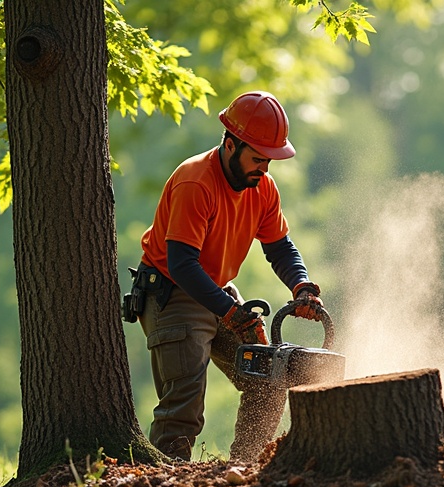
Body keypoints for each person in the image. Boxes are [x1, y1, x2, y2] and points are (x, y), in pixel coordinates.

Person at [128, 91, 325, 462]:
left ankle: (244, 467)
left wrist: (302, 287)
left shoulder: (263, 188)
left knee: (268, 376)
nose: (264, 169)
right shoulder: (195, 182)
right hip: (173, 292)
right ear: (231, 144)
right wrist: (231, 313)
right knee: (184, 403)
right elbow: (183, 264)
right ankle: (169, 480)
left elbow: (280, 248)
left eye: (269, 160)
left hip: (216, 290)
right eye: (257, 159)